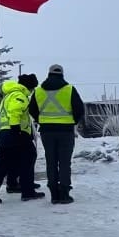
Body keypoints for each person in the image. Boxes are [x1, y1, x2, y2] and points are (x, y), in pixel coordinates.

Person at [0, 74, 46, 203]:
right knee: (29, 157)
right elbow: (14, 112)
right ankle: (27, 191)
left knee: (5, 163)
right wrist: (17, 130)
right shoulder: (19, 95)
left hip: (5, 134)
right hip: (15, 133)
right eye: (33, 88)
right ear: (29, 86)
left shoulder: (9, 95)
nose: (33, 91)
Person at [29, 64, 84, 204]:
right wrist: (72, 121)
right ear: (62, 74)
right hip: (65, 131)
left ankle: (54, 193)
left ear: (49, 74)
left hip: (47, 131)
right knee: (65, 162)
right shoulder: (69, 89)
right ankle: (64, 193)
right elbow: (79, 109)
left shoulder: (38, 91)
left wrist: (41, 120)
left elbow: (32, 109)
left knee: (51, 161)